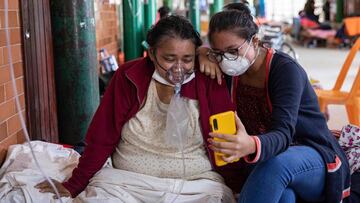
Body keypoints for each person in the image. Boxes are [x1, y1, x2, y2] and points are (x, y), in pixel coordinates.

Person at [35, 15, 236, 202]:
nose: (178, 68)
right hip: (126, 182)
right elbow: (103, 136)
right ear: (151, 54)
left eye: (187, 59)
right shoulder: (129, 76)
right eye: (169, 58)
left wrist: (237, 184)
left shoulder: (209, 79)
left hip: (195, 184)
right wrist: (74, 184)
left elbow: (228, 141)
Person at [198, 3, 350, 203]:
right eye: (218, 53)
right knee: (283, 197)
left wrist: (251, 143)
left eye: (233, 50)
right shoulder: (229, 72)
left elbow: (284, 134)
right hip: (265, 160)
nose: (226, 59)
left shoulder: (285, 70)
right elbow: (179, 41)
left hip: (313, 157)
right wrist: (202, 52)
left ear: (255, 41)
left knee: (274, 165)